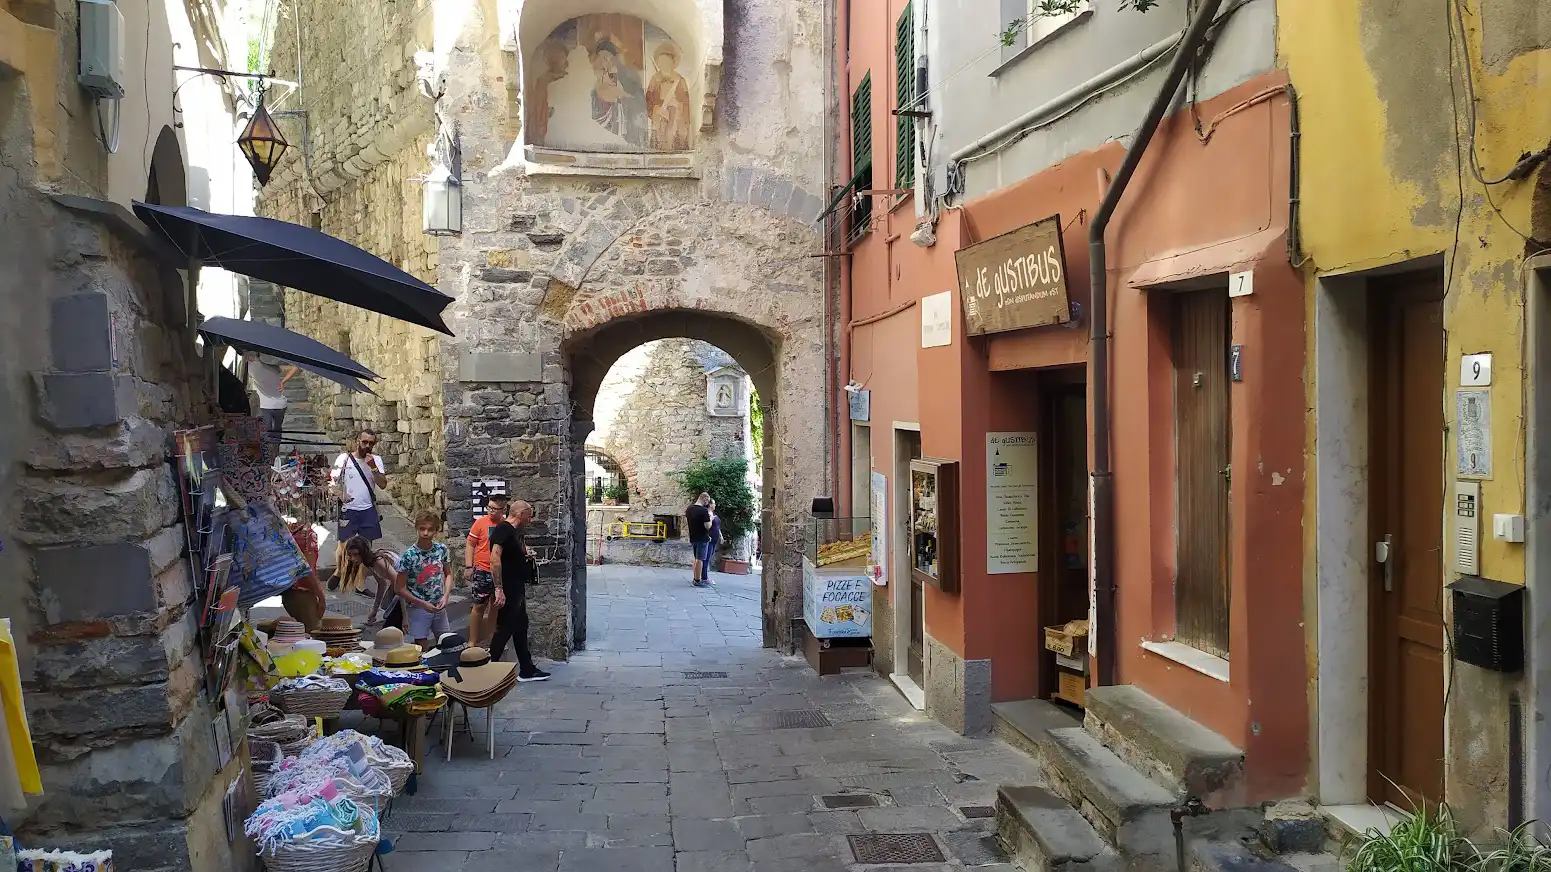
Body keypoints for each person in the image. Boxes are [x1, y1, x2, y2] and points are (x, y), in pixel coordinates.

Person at [489, 500, 550, 682]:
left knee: (520, 626)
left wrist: (526, 554)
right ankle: (488, 667)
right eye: (529, 515)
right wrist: (499, 588)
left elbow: (511, 555)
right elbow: (494, 558)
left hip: (517, 585)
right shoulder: (504, 529)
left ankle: (527, 668)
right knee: (505, 627)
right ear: (520, 513)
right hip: (508, 586)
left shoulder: (515, 533)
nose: (530, 520)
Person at [331, 429, 388, 590]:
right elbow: (332, 481)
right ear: (358, 441)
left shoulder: (376, 460)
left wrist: (374, 468)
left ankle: (360, 584)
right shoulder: (344, 459)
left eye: (371, 443)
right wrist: (339, 494)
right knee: (343, 545)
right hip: (349, 508)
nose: (367, 445)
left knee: (365, 548)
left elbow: (383, 484)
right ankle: (339, 572)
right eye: (364, 442)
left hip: (368, 509)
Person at [395, 511, 453, 647]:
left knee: (446, 641)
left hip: (438, 603)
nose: (426, 533)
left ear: (436, 531)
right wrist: (421, 603)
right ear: (416, 529)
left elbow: (448, 574)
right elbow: (399, 588)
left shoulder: (441, 549)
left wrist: (446, 596)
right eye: (422, 529)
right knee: (421, 645)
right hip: (418, 607)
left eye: (430, 529)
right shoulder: (409, 556)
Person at [464, 494, 509, 648]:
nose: (491, 511)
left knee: (495, 607)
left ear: (503, 509)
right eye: (489, 507)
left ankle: (491, 640)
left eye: (495, 509)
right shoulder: (480, 523)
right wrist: (469, 566)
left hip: (500, 571)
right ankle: (472, 641)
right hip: (482, 569)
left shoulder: (506, 524)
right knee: (478, 606)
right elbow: (470, 544)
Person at [342, 535, 401, 626]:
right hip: (399, 583)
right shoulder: (369, 563)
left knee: (391, 612)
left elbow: (399, 583)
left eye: (356, 554)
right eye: (350, 555)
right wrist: (374, 611)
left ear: (363, 552)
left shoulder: (379, 561)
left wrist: (403, 611)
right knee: (385, 606)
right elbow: (382, 584)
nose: (353, 559)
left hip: (408, 581)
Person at [245, 353, 298, 444]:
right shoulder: (274, 367)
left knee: (266, 435)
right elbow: (297, 366)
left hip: (264, 405)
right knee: (277, 432)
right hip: (281, 404)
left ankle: (269, 455)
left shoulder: (252, 367)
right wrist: (283, 381)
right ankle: (275, 453)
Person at [685, 492, 712, 588]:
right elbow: (708, 526)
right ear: (704, 499)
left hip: (693, 536)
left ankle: (695, 577)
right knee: (700, 559)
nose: (707, 503)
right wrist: (711, 518)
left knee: (696, 559)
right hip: (702, 538)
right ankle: (697, 580)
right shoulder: (703, 511)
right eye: (707, 501)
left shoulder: (689, 509)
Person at [705, 498, 723, 586]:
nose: (715, 505)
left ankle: (704, 576)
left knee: (709, 558)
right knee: (706, 558)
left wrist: (721, 536)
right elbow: (707, 526)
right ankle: (704, 577)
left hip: (715, 539)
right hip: (710, 539)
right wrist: (711, 519)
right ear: (710, 504)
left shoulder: (714, 514)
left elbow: (718, 526)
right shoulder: (708, 514)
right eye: (714, 503)